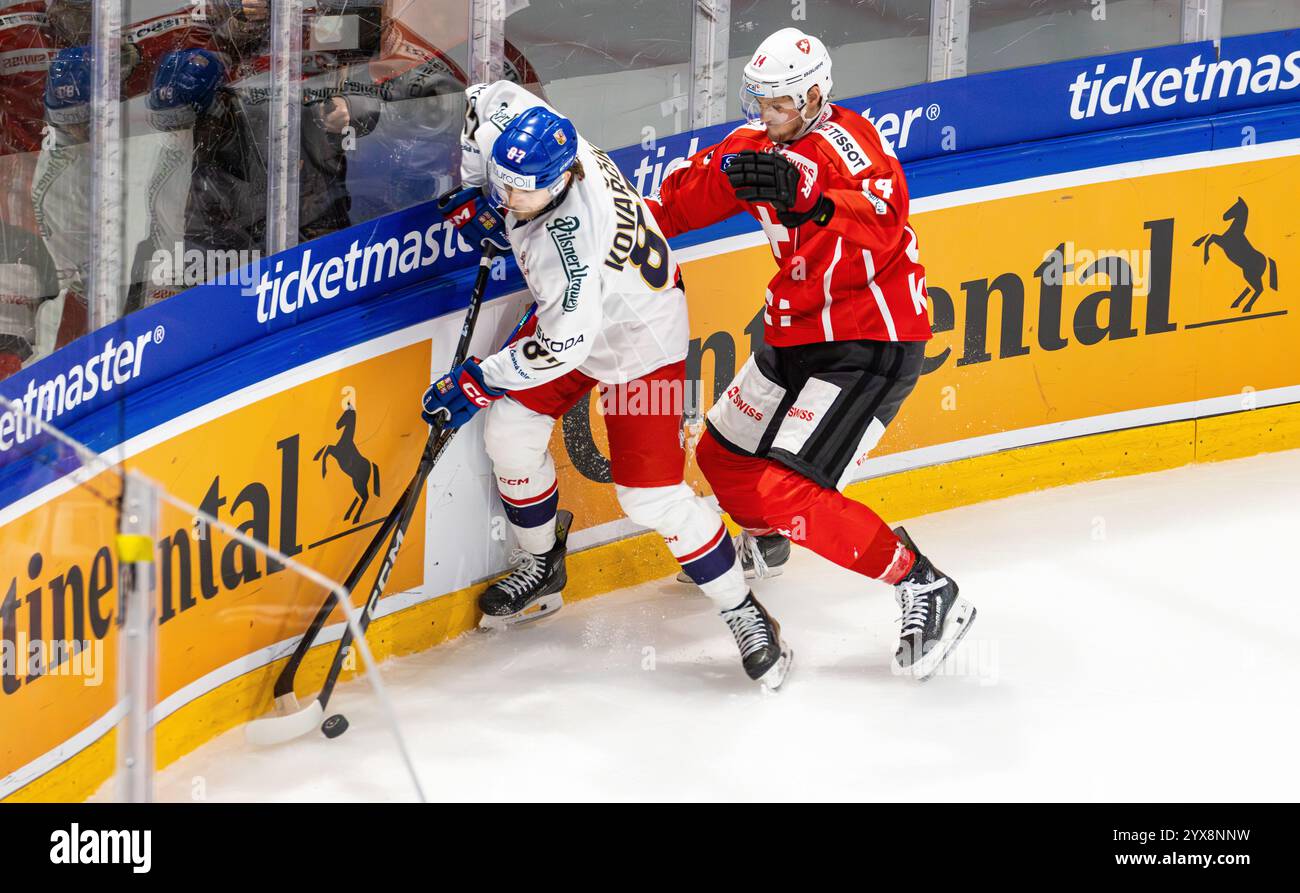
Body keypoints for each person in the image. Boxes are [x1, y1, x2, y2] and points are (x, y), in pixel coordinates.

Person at [424, 80, 792, 689]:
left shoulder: (567, 249)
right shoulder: (533, 138)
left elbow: (561, 344)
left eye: (516, 190)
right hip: (594, 312)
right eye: (502, 182)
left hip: (641, 342)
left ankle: (745, 613)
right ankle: (542, 564)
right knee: (510, 432)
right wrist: (470, 189)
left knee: (649, 498)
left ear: (558, 183)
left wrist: (477, 381)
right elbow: (484, 95)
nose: (505, 195)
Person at [644, 27, 976, 679]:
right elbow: (683, 201)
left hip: (868, 341)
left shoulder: (847, 144)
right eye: (758, 103)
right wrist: (618, 215)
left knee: (789, 487)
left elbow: (886, 215)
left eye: (779, 106)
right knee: (720, 455)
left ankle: (926, 584)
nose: (766, 119)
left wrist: (817, 202)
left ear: (816, 95)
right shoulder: (756, 146)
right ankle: (766, 539)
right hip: (793, 335)